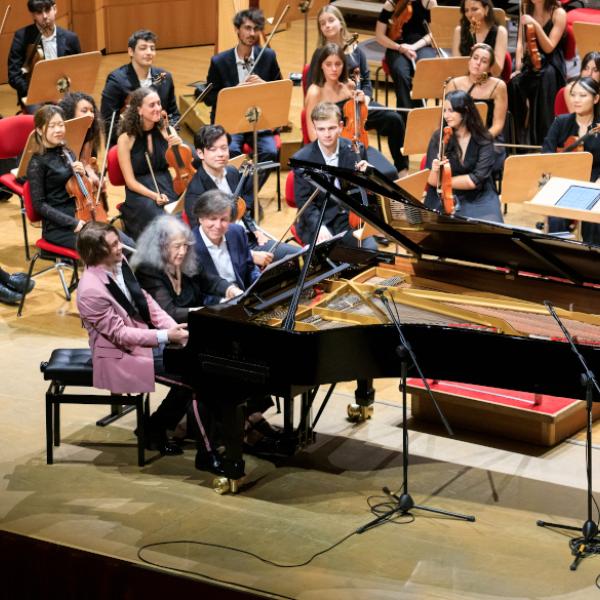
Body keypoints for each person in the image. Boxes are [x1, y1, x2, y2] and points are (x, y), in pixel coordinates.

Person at [76, 221, 190, 456]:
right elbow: (120, 335)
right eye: (114, 244)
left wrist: (171, 326)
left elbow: (143, 298)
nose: (121, 246)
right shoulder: (90, 291)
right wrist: (165, 336)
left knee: (194, 360)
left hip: (141, 337)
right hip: (118, 354)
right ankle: (154, 430)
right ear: (97, 253)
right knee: (190, 376)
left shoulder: (119, 261)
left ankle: (191, 425)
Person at [306, 5, 409, 176]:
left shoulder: (356, 50)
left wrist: (366, 100)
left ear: (341, 22)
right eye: (323, 24)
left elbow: (367, 81)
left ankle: (402, 167)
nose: (327, 26)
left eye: (331, 20)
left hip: (358, 103)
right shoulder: (320, 55)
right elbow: (313, 86)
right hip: (336, 110)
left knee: (394, 119)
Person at [184, 124, 297, 262]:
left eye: (224, 148)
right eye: (213, 149)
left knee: (299, 256)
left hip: (249, 239)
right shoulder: (195, 192)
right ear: (200, 153)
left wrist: (255, 229)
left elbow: (241, 207)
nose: (220, 154)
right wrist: (250, 255)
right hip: (229, 253)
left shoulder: (231, 172)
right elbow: (206, 243)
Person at [304, 44, 398, 180]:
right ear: (321, 65)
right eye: (328, 64)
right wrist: (339, 146)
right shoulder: (315, 92)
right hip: (328, 150)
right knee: (360, 178)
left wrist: (360, 103)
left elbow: (358, 120)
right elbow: (313, 135)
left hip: (354, 145)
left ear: (344, 65)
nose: (334, 69)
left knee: (389, 173)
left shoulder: (349, 86)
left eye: (338, 64)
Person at [291, 101, 377, 249]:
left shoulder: (355, 150)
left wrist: (370, 176)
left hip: (350, 220)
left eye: (331, 128)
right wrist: (320, 227)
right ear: (315, 129)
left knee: (370, 250)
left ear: (341, 126)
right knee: (329, 263)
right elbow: (305, 204)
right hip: (318, 221)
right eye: (321, 129)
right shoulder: (301, 159)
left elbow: (364, 193)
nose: (327, 134)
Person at [204, 8, 280, 173]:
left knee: (270, 152)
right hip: (232, 121)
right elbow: (209, 98)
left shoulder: (268, 56)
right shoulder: (219, 61)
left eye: (255, 29)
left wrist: (264, 85)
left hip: (260, 119)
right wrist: (232, 93)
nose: (251, 33)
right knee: (231, 152)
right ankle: (238, 193)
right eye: (247, 28)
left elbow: (280, 92)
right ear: (237, 30)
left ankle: (246, 195)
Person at [425, 90, 503, 222]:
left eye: (451, 110)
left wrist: (446, 182)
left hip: (479, 195)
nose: (446, 115)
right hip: (444, 194)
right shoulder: (439, 137)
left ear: (465, 111)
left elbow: (475, 180)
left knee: (488, 227)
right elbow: (432, 181)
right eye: (444, 111)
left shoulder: (484, 139)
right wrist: (435, 169)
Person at [116, 87, 180, 240]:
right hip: (140, 192)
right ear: (139, 110)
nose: (158, 108)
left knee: (177, 216)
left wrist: (176, 148)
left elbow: (179, 165)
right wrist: (154, 195)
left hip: (165, 183)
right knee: (159, 219)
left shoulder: (168, 130)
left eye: (159, 103)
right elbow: (130, 182)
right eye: (152, 105)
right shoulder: (125, 139)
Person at [543, 77, 600, 244]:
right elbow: (547, 151)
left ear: (596, 99)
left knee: (595, 222)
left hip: (595, 183)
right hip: (563, 184)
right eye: (573, 94)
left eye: (583, 95)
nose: (576, 99)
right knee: (556, 220)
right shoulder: (561, 122)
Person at [100, 29, 179, 146]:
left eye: (152, 48)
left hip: (160, 139)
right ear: (131, 51)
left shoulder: (164, 77)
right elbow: (108, 121)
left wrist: (172, 133)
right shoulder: (117, 80)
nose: (149, 52)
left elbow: (173, 114)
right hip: (130, 142)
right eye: (143, 48)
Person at [27, 105, 87, 249]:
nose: (58, 130)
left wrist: (83, 174)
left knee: (120, 242)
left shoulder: (67, 153)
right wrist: (73, 223)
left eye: (61, 125)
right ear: (40, 130)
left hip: (80, 214)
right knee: (104, 248)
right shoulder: (37, 163)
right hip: (58, 227)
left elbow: (76, 188)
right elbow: (39, 205)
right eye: (52, 126)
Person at [508, 0, 567, 146]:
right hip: (531, 61)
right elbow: (521, 43)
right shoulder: (525, 7)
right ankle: (519, 140)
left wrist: (534, 23)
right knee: (514, 84)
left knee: (545, 79)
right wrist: (517, 69)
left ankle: (544, 141)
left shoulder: (558, 13)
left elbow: (549, 47)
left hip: (552, 63)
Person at [8, 0, 81, 110]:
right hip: (34, 94)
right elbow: (14, 75)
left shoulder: (71, 38)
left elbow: (79, 70)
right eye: (39, 13)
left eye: (47, 10)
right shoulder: (22, 37)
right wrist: (34, 91)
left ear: (55, 9)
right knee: (42, 119)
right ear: (33, 15)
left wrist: (63, 91)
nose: (45, 16)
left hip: (63, 89)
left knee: (80, 111)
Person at [191, 190, 261, 305]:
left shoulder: (237, 232)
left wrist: (259, 284)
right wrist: (223, 302)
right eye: (212, 219)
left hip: (243, 296)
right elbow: (196, 295)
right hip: (214, 307)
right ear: (201, 218)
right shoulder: (188, 248)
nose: (218, 226)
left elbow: (250, 268)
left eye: (223, 219)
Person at [448, 43, 507, 173]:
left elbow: (498, 125)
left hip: (487, 136)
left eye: (484, 61)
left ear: (490, 68)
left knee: (481, 162)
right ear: (469, 60)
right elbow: (446, 117)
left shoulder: (499, 86)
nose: (478, 63)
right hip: (458, 135)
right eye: (475, 58)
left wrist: (479, 141)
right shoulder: (454, 83)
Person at [374, 0, 438, 110]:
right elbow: (379, 35)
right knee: (400, 72)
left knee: (424, 67)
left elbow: (434, 33)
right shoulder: (392, 3)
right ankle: (404, 115)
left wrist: (414, 47)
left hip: (422, 45)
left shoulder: (429, 2)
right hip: (396, 46)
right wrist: (400, 47)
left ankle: (419, 114)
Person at [58, 91, 104, 193]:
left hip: (77, 172)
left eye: (92, 111)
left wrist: (93, 176)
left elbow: (85, 161)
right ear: (71, 113)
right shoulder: (58, 134)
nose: (90, 115)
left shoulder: (90, 130)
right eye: (84, 111)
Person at [452, 0, 508, 77]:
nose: (469, 14)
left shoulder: (500, 32)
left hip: (489, 81)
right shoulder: (459, 31)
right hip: (465, 80)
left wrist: (486, 50)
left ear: (486, 9)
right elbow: (456, 67)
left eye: (474, 9)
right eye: (466, 10)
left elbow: (497, 72)